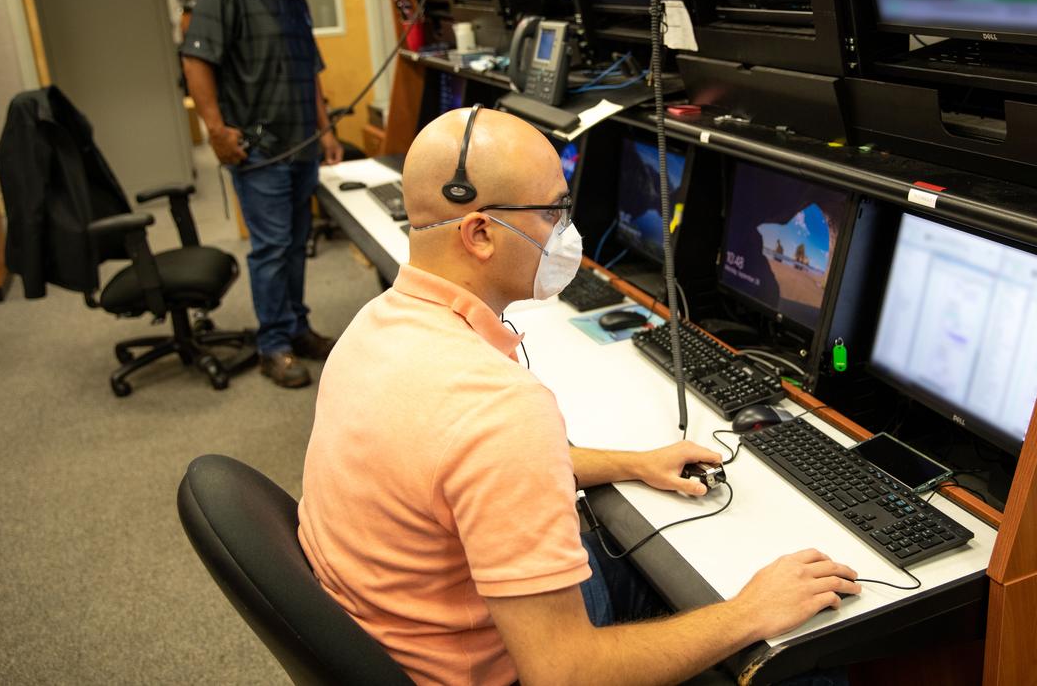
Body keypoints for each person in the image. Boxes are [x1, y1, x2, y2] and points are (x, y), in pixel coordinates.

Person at [297, 106, 860, 685]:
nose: (568, 231)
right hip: (494, 668)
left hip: (410, 632)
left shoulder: (372, 328)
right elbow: (564, 673)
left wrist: (632, 464)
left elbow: (457, 468)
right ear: (482, 233)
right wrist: (749, 613)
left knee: (651, 559)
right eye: (552, 211)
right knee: (801, 657)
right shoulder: (499, 410)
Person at [180, 0, 343, 388]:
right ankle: (273, 344)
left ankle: (297, 327)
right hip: (258, 152)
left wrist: (326, 129)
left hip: (301, 144)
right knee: (271, 249)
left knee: (295, 244)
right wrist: (215, 130)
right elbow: (196, 61)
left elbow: (309, 69)